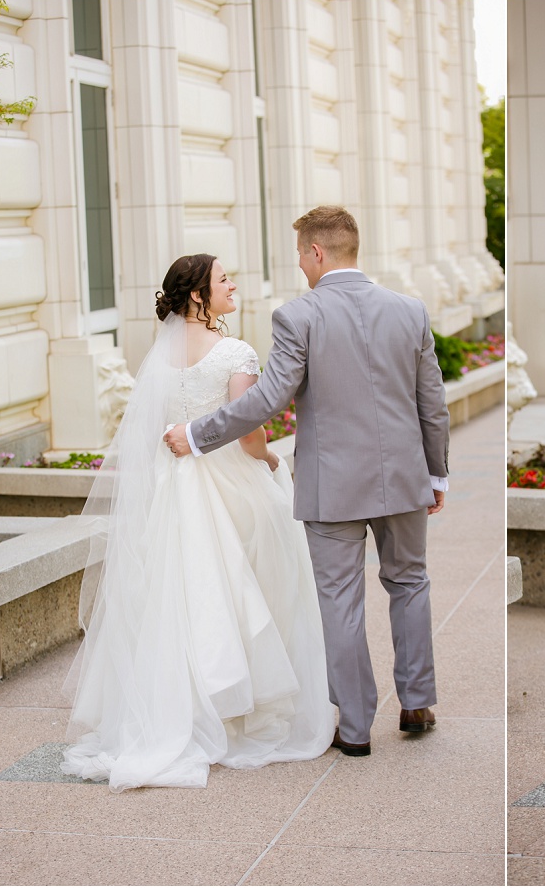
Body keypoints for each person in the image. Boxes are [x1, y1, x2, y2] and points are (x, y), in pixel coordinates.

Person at [165, 206, 450, 757]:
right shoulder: (409, 311)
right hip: (404, 478)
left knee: (339, 601)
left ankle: (356, 727)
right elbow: (430, 403)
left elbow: (268, 399)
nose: (298, 264)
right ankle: (416, 703)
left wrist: (198, 435)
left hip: (333, 487)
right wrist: (435, 471)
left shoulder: (298, 317)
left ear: (316, 252)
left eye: (300, 253)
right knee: (409, 583)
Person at [62, 254, 335, 791]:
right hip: (230, 480)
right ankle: (241, 710)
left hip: (172, 485)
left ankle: (184, 709)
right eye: (223, 280)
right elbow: (250, 432)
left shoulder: (158, 356)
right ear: (197, 296)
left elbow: (150, 433)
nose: (234, 285)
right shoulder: (236, 350)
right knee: (247, 586)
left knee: (181, 596)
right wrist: (273, 463)